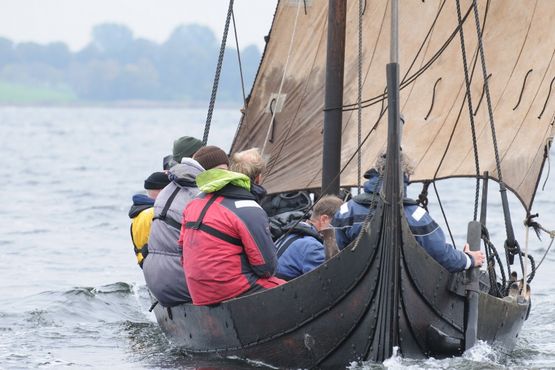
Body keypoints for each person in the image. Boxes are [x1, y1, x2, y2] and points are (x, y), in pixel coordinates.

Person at [332, 154, 485, 273]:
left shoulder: (346, 211)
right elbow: (441, 255)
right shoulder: (416, 216)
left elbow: (340, 252)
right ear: (405, 176)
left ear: (375, 173)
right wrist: (469, 259)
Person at [180, 147, 284, 306]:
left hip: (198, 293)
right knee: (290, 290)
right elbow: (266, 268)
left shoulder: (193, 204)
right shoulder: (250, 208)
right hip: (231, 290)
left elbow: (182, 252)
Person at [275, 195, 343, 280]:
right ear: (324, 219)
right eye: (340, 222)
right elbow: (328, 279)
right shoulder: (312, 246)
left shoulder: (291, 234)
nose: (341, 228)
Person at [128, 171, 171, 268]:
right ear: (163, 190)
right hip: (155, 263)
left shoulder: (139, 211)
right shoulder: (154, 212)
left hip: (143, 260)